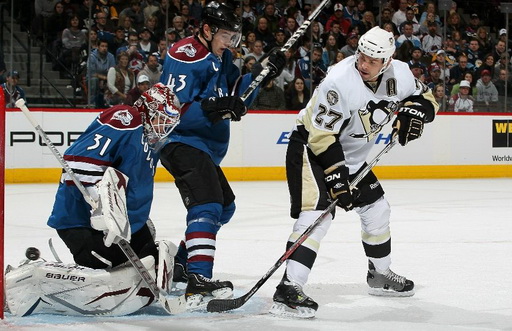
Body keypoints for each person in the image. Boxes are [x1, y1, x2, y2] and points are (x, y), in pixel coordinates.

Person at [269, 26, 438, 318]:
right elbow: (321, 137)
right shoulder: (338, 81)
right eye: (361, 56)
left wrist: (416, 113)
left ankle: (380, 275)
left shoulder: (401, 74)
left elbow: (428, 100)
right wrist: (336, 179)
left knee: (377, 210)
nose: (364, 64)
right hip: (311, 149)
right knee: (317, 215)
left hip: (352, 158)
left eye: (373, 61)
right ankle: (289, 288)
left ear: (387, 60)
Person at [158, 1, 284, 307]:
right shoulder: (184, 55)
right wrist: (213, 108)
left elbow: (236, 95)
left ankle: (180, 264)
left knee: (224, 208)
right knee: (208, 204)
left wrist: (262, 73)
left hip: (204, 148)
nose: (230, 43)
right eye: (225, 35)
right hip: (181, 142)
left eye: (233, 37)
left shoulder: (222, 57)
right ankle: (198, 281)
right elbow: (171, 111)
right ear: (206, 29)